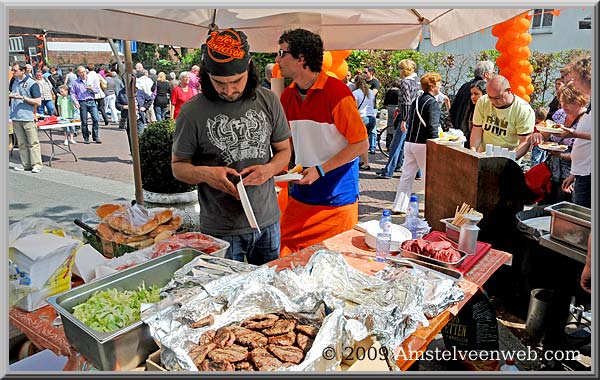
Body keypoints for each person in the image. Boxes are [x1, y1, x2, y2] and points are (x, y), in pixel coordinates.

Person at [171, 28, 291, 265]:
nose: (228, 90)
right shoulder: (192, 111)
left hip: (267, 220)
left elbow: (284, 151)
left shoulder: (268, 100)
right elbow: (178, 167)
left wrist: (268, 170)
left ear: (249, 68)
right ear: (207, 76)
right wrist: (207, 174)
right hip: (220, 229)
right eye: (219, 83)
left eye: (236, 80)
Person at [276, 28, 369, 255]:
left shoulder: (337, 93)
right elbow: (288, 144)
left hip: (336, 197)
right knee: (288, 255)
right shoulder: (287, 95)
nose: (277, 59)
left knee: (333, 262)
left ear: (301, 59)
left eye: (282, 52)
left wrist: (320, 169)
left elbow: (361, 144)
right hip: (301, 190)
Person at [528, 83, 589, 205]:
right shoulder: (560, 114)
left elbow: (585, 156)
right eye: (562, 101)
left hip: (571, 175)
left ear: (580, 100)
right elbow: (547, 132)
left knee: (562, 208)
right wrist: (539, 136)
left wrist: (560, 155)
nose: (564, 106)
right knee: (545, 207)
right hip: (551, 172)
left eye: (569, 102)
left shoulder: (587, 121)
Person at [391, 73, 442, 213]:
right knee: (428, 176)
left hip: (410, 142)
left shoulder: (417, 99)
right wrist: (436, 143)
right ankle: (430, 208)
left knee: (406, 176)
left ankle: (398, 206)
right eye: (438, 83)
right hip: (423, 144)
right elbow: (432, 126)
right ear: (433, 86)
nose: (440, 86)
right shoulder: (432, 103)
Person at [470, 75, 534, 159]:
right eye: (490, 97)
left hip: (509, 158)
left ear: (508, 91)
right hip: (484, 156)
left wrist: (513, 157)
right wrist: (473, 151)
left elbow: (525, 141)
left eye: (497, 98)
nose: (493, 101)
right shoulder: (483, 101)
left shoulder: (523, 110)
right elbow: (476, 130)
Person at [377, 59, 420, 179]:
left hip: (406, 115)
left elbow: (406, 102)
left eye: (400, 68)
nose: (399, 71)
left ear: (404, 70)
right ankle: (416, 172)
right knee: (411, 144)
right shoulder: (417, 82)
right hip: (415, 116)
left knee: (396, 144)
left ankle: (388, 171)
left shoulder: (405, 83)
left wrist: (404, 119)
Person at [560, 55, 592, 208]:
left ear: (587, 78)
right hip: (582, 173)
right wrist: (575, 173)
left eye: (576, 79)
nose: (574, 84)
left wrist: (573, 134)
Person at [9, 62, 43, 173]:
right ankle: (26, 164)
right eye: (12, 70)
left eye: (15, 70)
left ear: (22, 71)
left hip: (27, 116)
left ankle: (37, 164)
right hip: (16, 116)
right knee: (22, 143)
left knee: (33, 142)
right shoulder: (13, 81)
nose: (12, 72)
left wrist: (23, 98)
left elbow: (38, 101)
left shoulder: (32, 83)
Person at [450, 60, 495, 139]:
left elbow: (453, 109)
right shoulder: (486, 89)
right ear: (486, 74)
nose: (473, 97)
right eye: (493, 73)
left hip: (459, 132)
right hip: (474, 134)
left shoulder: (464, 86)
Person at [116, 83, 153, 154]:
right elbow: (117, 104)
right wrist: (124, 107)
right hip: (128, 119)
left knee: (140, 137)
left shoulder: (140, 92)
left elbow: (149, 100)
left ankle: (140, 154)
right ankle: (133, 154)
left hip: (139, 118)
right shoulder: (122, 92)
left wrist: (144, 107)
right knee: (131, 137)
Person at [70, 65, 102, 144]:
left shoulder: (91, 80)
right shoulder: (76, 82)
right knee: (84, 121)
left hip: (91, 100)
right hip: (82, 102)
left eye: (84, 72)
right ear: (78, 73)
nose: (83, 74)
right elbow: (72, 93)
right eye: (81, 72)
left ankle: (96, 136)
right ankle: (86, 137)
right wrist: (76, 102)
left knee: (96, 119)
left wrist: (92, 89)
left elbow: (98, 90)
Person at [352, 74, 376, 171]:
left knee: (358, 142)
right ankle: (363, 161)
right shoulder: (371, 92)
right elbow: (373, 105)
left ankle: (363, 162)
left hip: (362, 118)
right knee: (365, 141)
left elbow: (353, 107)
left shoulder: (356, 93)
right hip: (372, 118)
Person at [364, 65, 381, 154]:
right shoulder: (363, 81)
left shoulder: (375, 82)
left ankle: (373, 147)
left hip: (371, 108)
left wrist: (363, 92)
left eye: (366, 72)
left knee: (373, 128)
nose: (364, 74)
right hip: (363, 108)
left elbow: (374, 93)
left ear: (371, 73)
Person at [382, 78, 401, 148]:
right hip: (396, 108)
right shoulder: (399, 92)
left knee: (389, 125)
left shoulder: (389, 91)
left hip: (389, 107)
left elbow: (385, 102)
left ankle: (388, 143)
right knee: (396, 125)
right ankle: (394, 143)